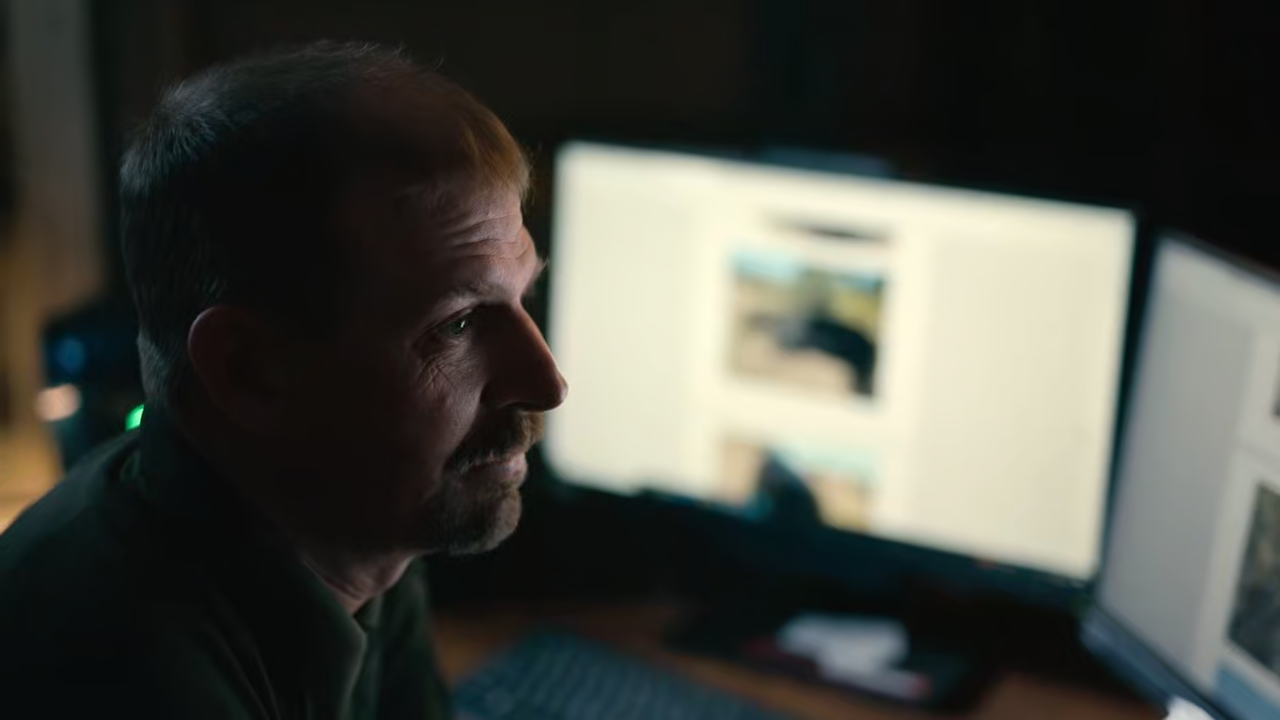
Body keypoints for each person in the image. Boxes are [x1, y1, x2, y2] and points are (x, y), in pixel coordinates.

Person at [0, 41, 567, 719]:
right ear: (247, 370)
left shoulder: (361, 528)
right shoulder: (118, 675)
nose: (547, 384)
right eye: (458, 325)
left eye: (523, 297)